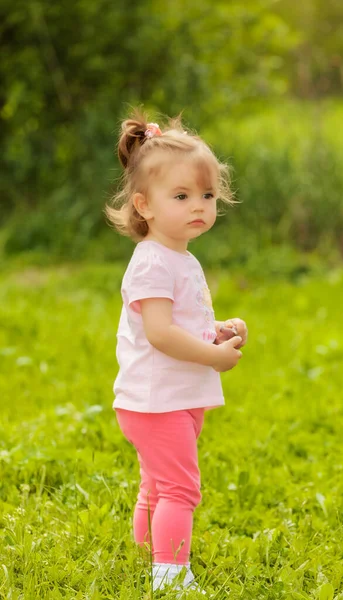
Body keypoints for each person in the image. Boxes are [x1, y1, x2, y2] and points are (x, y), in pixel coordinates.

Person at [104, 109, 248, 595]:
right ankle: (170, 578)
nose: (199, 207)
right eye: (182, 196)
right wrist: (214, 358)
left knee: (158, 485)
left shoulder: (178, 256)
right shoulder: (151, 264)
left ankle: (146, 552)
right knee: (182, 490)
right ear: (143, 205)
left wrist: (217, 330)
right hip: (156, 400)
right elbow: (161, 334)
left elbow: (182, 322)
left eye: (206, 196)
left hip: (173, 397)